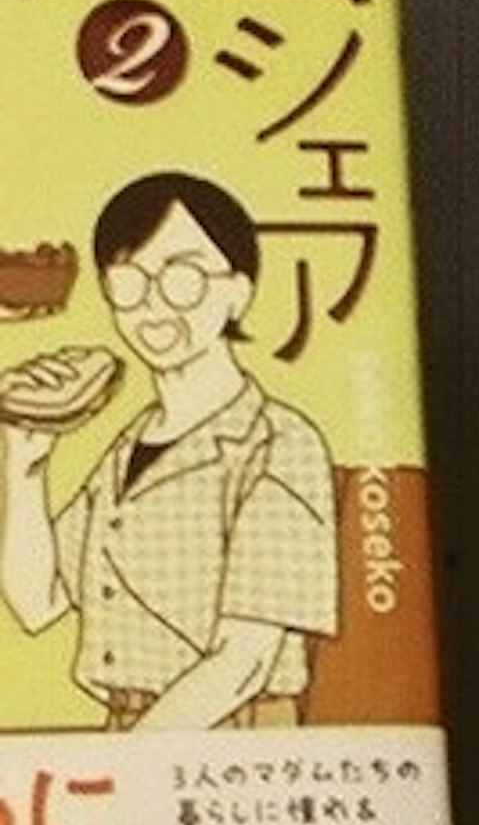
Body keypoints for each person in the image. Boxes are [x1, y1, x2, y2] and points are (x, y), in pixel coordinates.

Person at [0, 168, 340, 727]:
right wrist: (26, 463)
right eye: (129, 281)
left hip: (235, 739)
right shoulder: (128, 445)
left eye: (182, 278)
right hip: (125, 727)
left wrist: (129, 765)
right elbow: (36, 602)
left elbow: (244, 662)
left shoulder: (279, 443)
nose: (153, 305)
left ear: (237, 293)